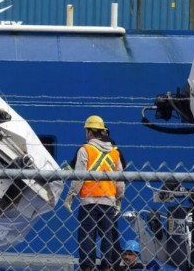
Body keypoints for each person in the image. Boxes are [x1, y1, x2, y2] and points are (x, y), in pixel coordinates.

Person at [63, 115, 124, 271]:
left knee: (87, 235)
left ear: (89, 132)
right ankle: (106, 266)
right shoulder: (115, 153)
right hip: (109, 201)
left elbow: (79, 177)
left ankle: (88, 266)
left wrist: (70, 197)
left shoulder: (85, 149)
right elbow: (120, 180)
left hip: (89, 201)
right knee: (107, 235)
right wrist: (119, 199)